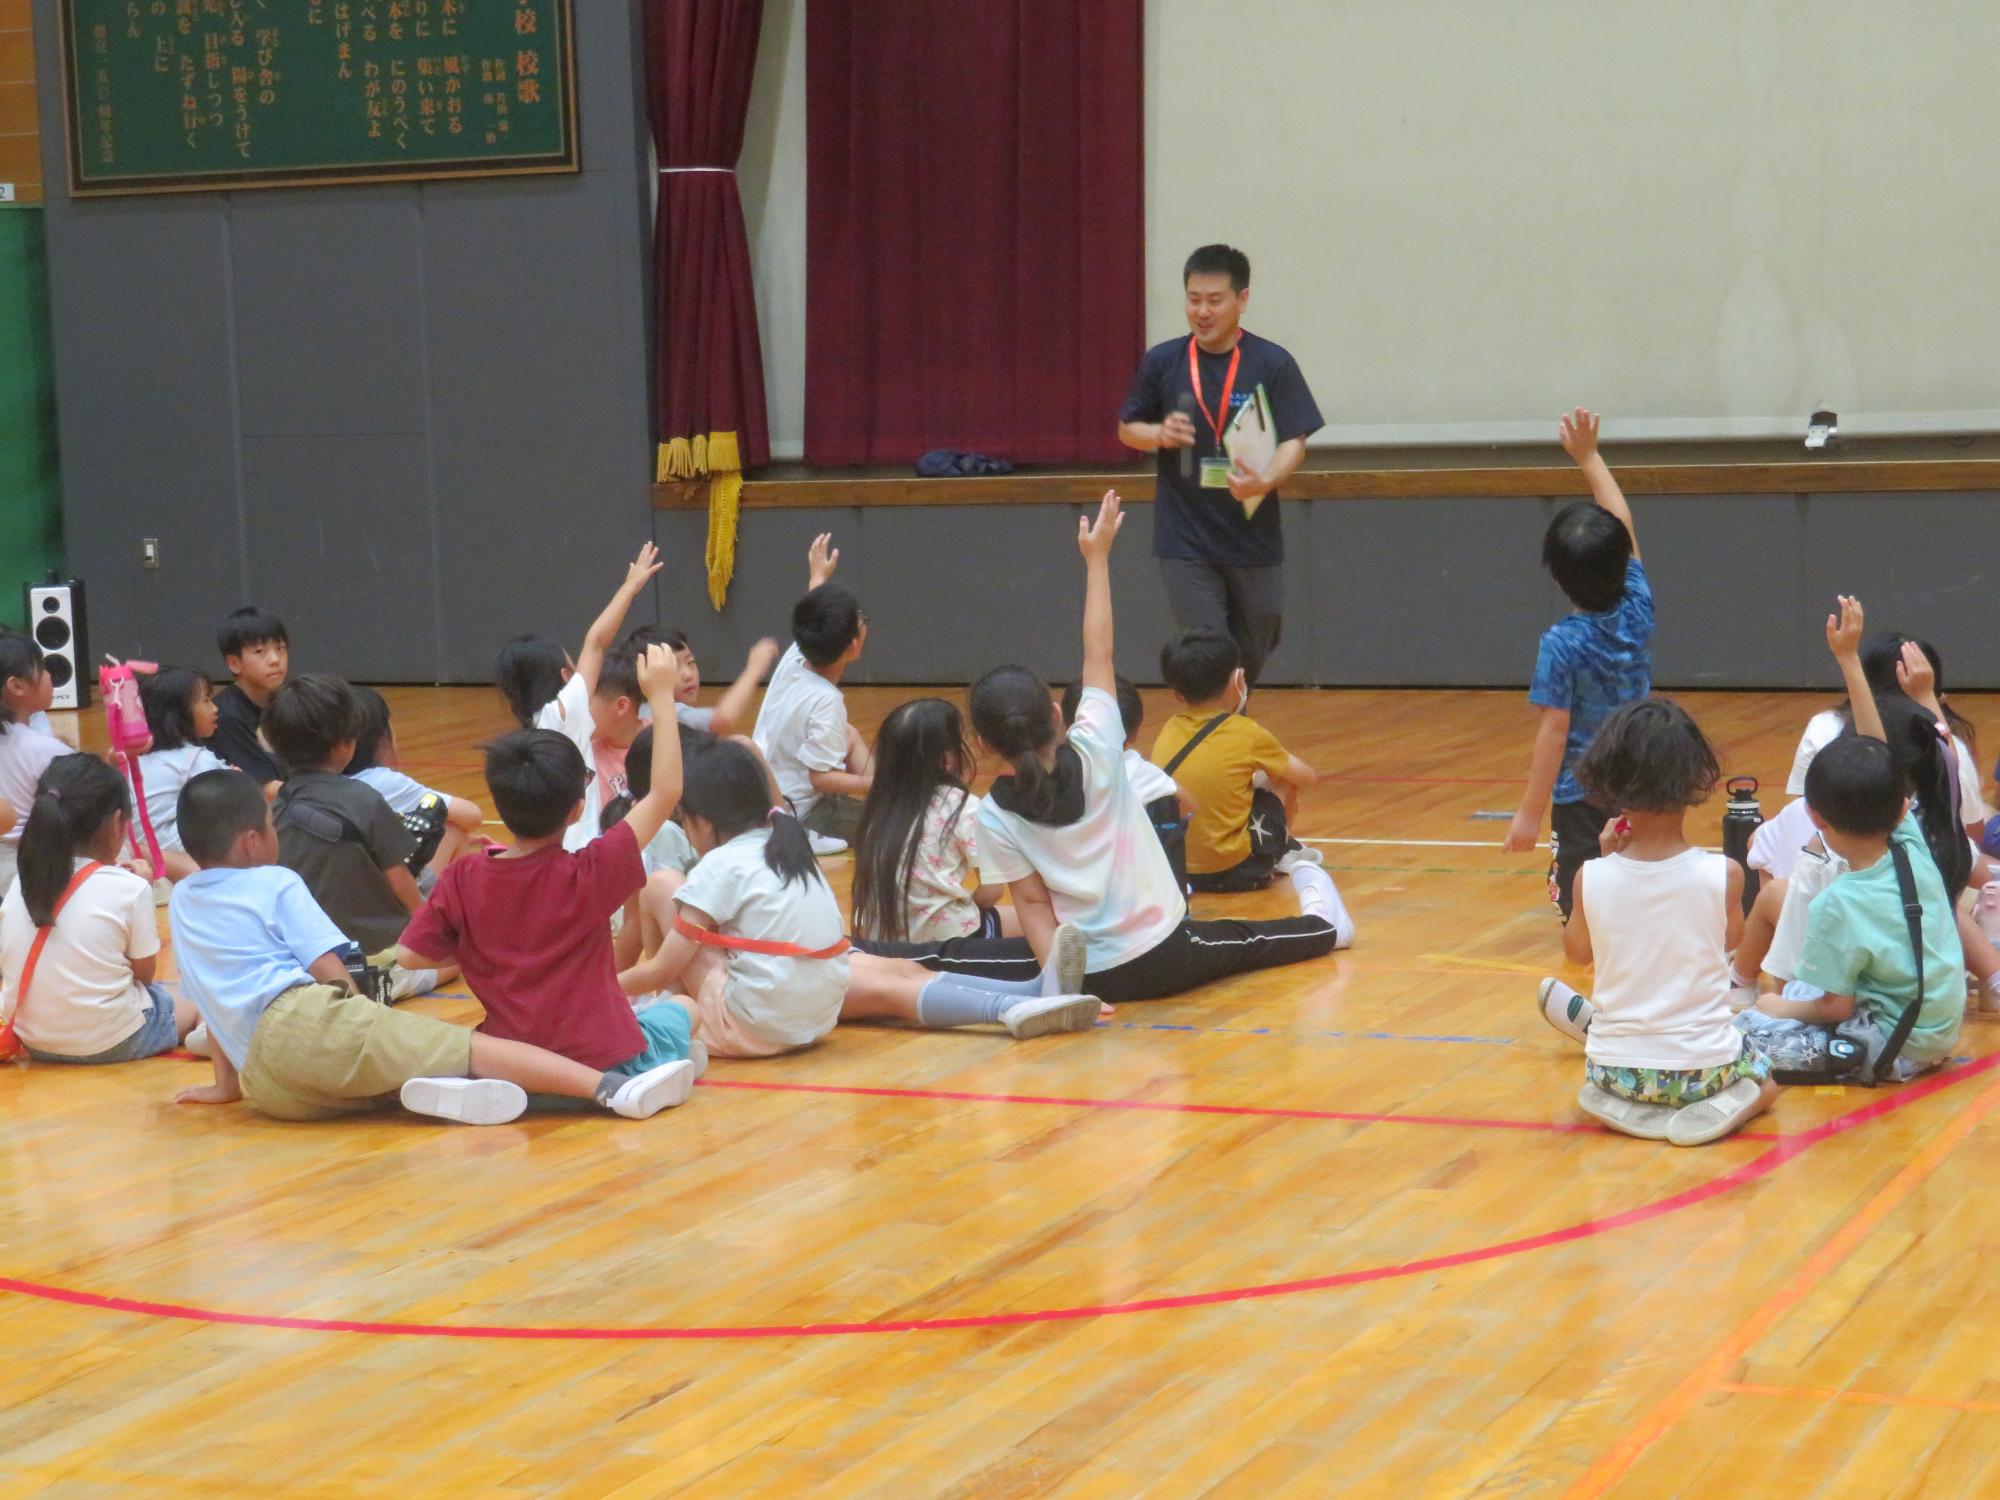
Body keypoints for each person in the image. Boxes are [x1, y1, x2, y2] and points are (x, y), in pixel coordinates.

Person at [877, 491, 1353, 1004]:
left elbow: (1034, 909)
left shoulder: (993, 814)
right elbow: (1098, 649)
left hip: (1097, 979)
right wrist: (1098, 559)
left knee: (963, 953)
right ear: (1057, 714)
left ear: (984, 745)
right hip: (1169, 952)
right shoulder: (1100, 742)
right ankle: (1326, 924)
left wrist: (1064, 992)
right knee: (1255, 940)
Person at [169, 768, 691, 1124]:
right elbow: (326, 965)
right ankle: (611, 1090)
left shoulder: (182, 902)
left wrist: (227, 1086)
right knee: (471, 1048)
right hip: (308, 1024)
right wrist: (358, 1008)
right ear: (251, 841)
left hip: (271, 1088)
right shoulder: (274, 880)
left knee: (379, 1082)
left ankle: (450, 1095)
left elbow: (211, 1004)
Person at [615, 738, 1105, 1057]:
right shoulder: (786, 837)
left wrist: (601, 992)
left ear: (702, 817)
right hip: (818, 1005)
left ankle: (668, 1019)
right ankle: (1018, 998)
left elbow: (660, 963)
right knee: (895, 974)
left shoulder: (716, 861)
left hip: (761, 1019)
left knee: (661, 888)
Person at [398, 644, 707, 1105]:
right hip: (603, 1056)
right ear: (577, 809)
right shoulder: (592, 869)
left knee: (477, 1047)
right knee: (684, 1008)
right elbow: (665, 792)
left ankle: (496, 1088)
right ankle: (655, 1070)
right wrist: (661, 697)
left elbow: (409, 958)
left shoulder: (464, 877)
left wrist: (486, 950)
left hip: (514, 1058)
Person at [1531, 700, 1776, 1146]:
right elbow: (1731, 942)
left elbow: (1578, 953)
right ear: (1694, 782)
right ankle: (1731, 1103)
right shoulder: (1724, 874)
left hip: (1614, 1071)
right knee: (1768, 1078)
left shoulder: (1592, 877)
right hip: (1705, 1071)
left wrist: (1606, 862)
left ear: (1611, 784)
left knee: (1608, 1048)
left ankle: (1617, 1102)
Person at [1117, 244, 1323, 687]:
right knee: (1209, 645)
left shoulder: (1272, 363)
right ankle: (1221, 736)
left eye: (1215, 300)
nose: (1202, 311)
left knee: (1260, 634)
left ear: (1241, 300)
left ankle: (1232, 719)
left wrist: (1265, 480)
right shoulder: (1163, 361)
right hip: (1185, 534)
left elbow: (1295, 440)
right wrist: (1156, 434)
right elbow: (1126, 428)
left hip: (1252, 532)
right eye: (1194, 299)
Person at [1735, 729, 1967, 1083]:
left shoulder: (1837, 902)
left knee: (1753, 1025)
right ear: (1903, 808)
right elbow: (1886, 780)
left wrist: (1779, 1007)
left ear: (1814, 817)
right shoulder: (1912, 846)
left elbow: (1835, 1007)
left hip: (1890, 1045)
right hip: (1941, 1030)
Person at [1502, 409, 1655, 921]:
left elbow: (1554, 730)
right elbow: (1623, 525)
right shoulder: (1637, 603)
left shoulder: (1561, 643)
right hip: (1641, 771)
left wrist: (1529, 811)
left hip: (1583, 792)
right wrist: (1591, 458)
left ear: (1555, 575)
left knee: (1584, 912)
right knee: (1640, 882)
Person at [0, 754, 197, 1063]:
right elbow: (143, 976)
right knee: (198, 996)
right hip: (111, 1040)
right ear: (118, 822)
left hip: (33, 1038)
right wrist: (140, 885)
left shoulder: (20, 883)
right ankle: (209, 1038)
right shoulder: (129, 888)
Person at [263, 674, 448, 1001]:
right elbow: (400, 880)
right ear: (347, 743)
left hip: (304, 960)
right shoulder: (364, 798)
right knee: (455, 959)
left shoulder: (275, 806)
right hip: (373, 957)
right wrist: (428, 933)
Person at [493, 542, 662, 854]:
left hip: (543, 853)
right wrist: (629, 588)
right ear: (563, 676)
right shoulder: (563, 711)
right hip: (582, 853)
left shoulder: (529, 732)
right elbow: (596, 642)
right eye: (572, 666)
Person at [1150, 629, 1319, 892]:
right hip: (1238, 872)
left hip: (1178, 870)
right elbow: (1306, 778)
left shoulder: (1169, 728)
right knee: (1280, 779)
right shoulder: (1246, 733)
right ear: (1237, 680)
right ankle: (1279, 851)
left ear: (1177, 693)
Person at [1785, 630, 1987, 843]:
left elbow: (1802, 814)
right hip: (1938, 861)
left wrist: (1848, 660)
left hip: (1834, 854)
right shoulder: (1946, 747)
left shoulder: (1823, 727)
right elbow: (1971, 834)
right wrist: (1926, 695)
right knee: (1988, 814)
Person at [851, 698, 1019, 945]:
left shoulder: (878, 807)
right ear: (947, 759)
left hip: (884, 944)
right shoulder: (962, 805)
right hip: (947, 943)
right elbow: (992, 891)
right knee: (1039, 921)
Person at [752, 534, 873, 853]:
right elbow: (821, 777)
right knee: (890, 830)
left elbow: (814, 619)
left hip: (771, 789)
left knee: (848, 735)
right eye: (861, 620)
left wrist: (818, 577)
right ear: (853, 646)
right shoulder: (825, 701)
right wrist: (866, 785)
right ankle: (884, 799)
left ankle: (887, 796)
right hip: (803, 812)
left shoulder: (796, 657)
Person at [343, 686, 486, 882]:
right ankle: (451, 909)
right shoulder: (383, 781)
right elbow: (472, 815)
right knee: (452, 828)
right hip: (380, 896)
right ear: (383, 738)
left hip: (331, 888)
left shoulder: (310, 780)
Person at [136, 666, 227, 882]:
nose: (215, 709)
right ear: (177, 713)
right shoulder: (195, 759)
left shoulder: (136, 760)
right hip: (179, 860)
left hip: (141, 858)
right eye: (206, 700)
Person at [0, 633, 68, 891]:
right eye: (42, 668)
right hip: (32, 869)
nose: (49, 675)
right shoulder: (45, 750)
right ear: (17, 686)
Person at [638, 625, 782, 741]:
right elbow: (722, 720)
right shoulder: (670, 712)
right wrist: (755, 669)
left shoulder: (640, 709)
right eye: (673, 667)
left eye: (690, 662)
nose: (688, 675)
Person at [207, 606, 290, 793]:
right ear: (234, 663)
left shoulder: (290, 701)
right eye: (260, 651)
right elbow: (265, 789)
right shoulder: (226, 715)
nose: (275, 659)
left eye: (281, 648)